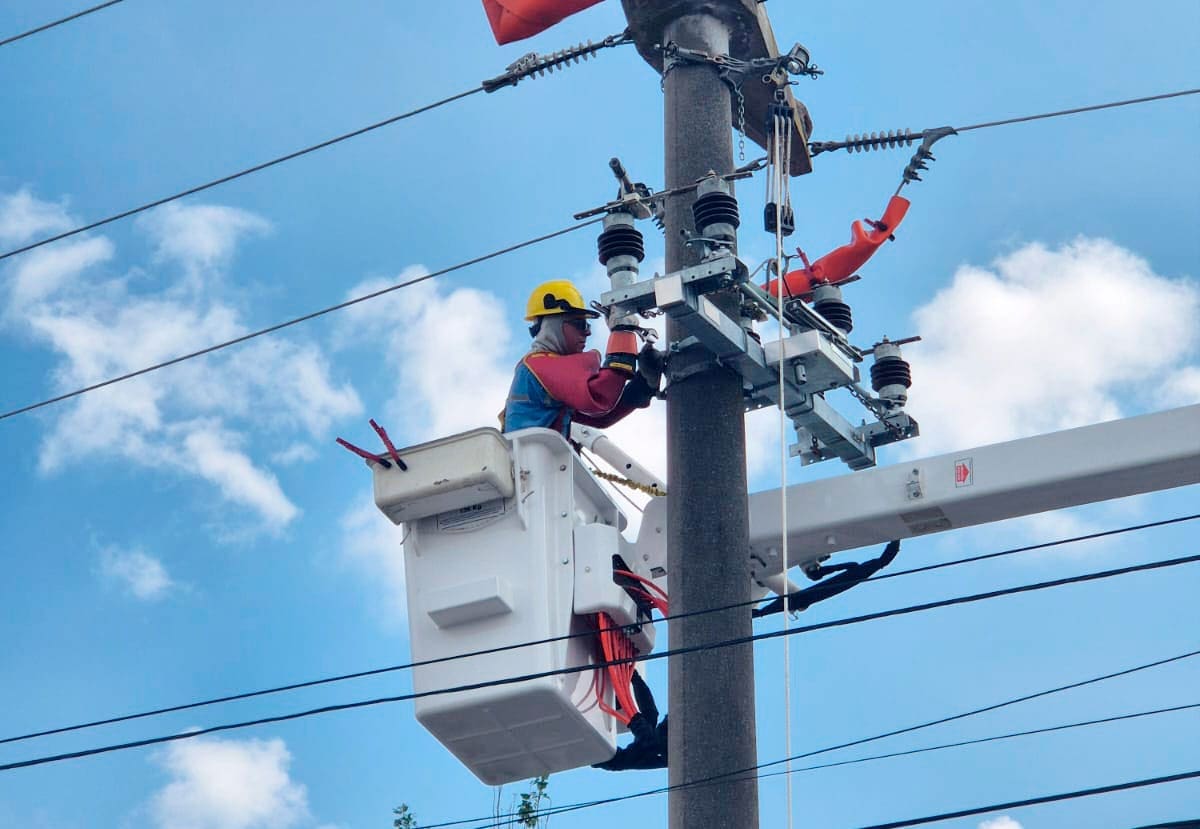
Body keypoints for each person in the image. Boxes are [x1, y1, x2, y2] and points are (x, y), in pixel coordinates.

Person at [502, 279, 663, 437]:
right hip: (536, 460)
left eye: (588, 326)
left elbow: (602, 417)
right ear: (554, 325)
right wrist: (623, 333)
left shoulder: (543, 379)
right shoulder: (537, 366)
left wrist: (643, 384)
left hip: (540, 460)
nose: (587, 333)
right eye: (580, 325)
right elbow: (600, 398)